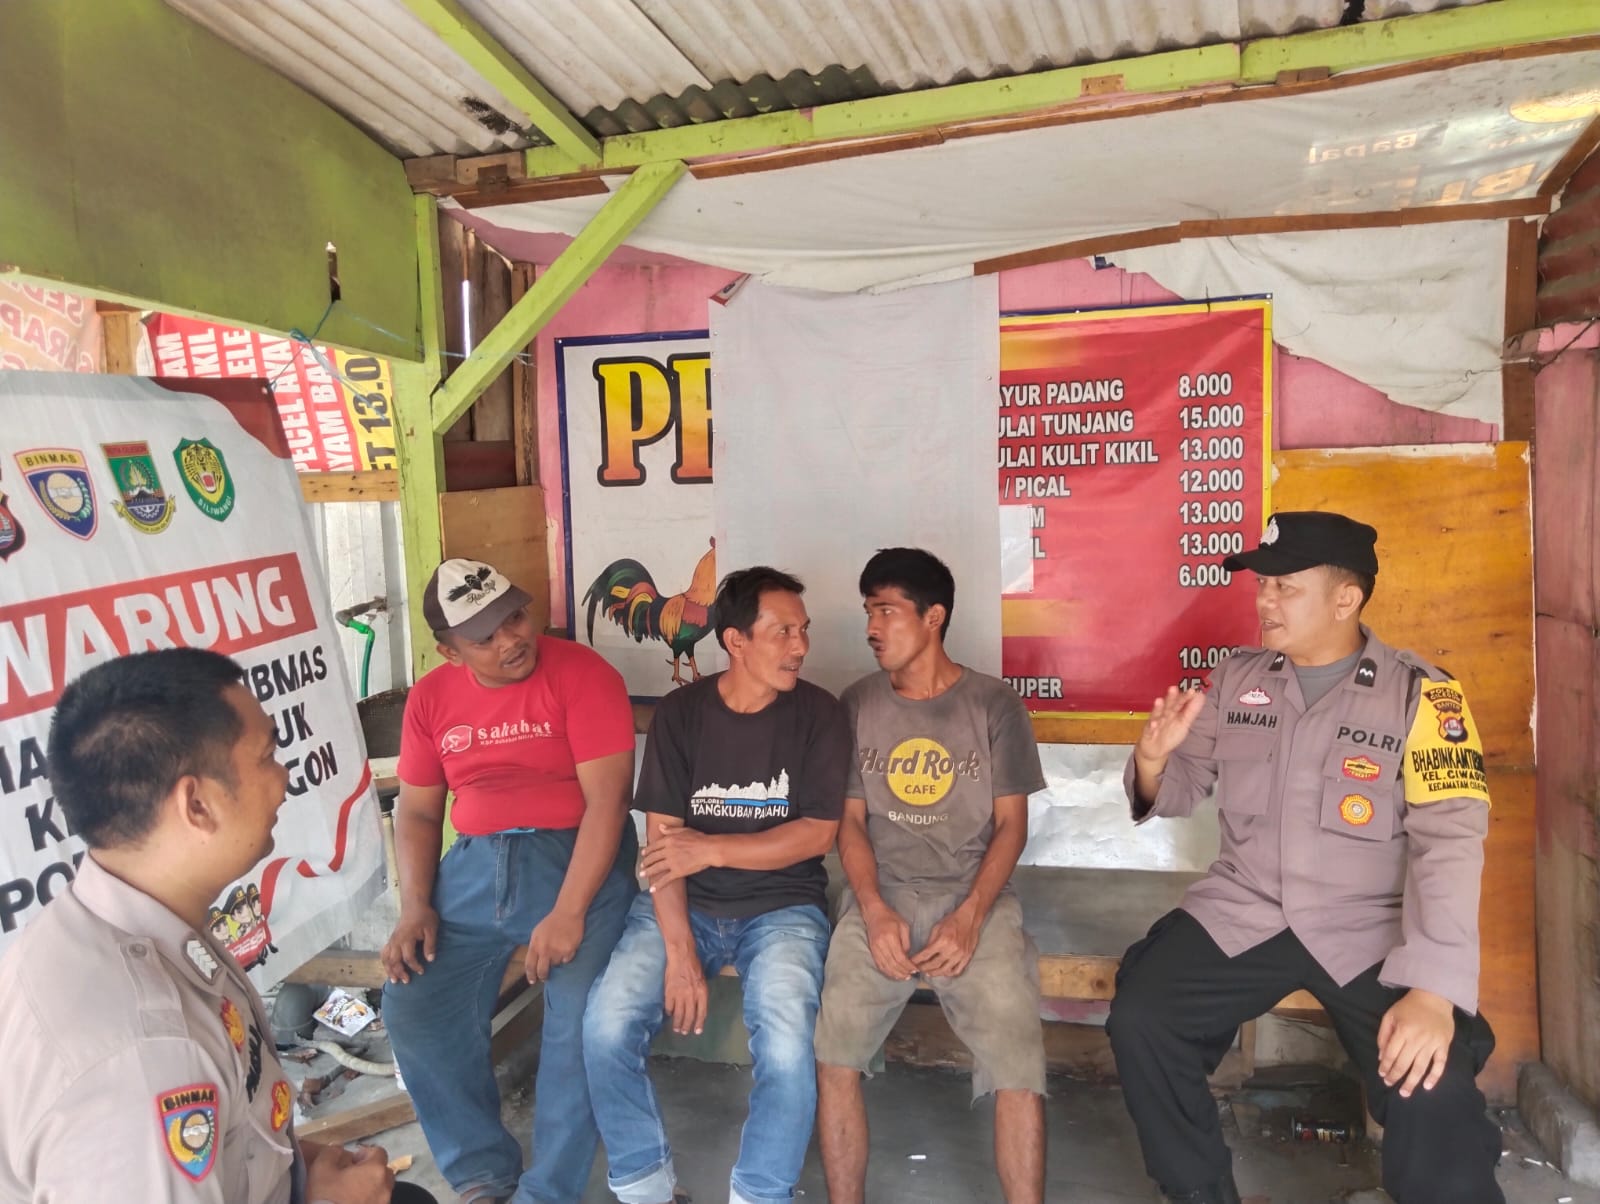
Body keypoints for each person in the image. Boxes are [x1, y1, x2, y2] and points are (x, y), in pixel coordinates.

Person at [1107, 511, 1503, 1204]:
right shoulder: (1237, 679)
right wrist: (1150, 760)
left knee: (1431, 1079)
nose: (1265, 601)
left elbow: (1450, 841)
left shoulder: (1422, 696)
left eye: (1284, 587)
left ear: (1345, 599)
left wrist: (1432, 994)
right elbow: (1178, 790)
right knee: (1144, 1015)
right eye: (1262, 586)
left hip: (1366, 928)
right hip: (1246, 910)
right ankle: (1198, 1193)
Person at [0, 647, 434, 1203]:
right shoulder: (145, 1059)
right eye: (267, 756)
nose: (284, 777)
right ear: (198, 805)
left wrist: (301, 1167)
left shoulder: (135, 921)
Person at [583, 567, 849, 1204]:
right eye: (783, 632)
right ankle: (646, 1189)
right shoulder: (682, 714)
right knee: (605, 1026)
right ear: (735, 641)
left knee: (787, 1048)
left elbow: (817, 835)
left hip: (782, 908)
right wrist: (680, 955)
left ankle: (760, 1193)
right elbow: (663, 849)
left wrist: (712, 848)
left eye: (804, 631)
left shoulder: (820, 714)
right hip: (684, 905)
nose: (800, 646)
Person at [380, 559, 639, 1204]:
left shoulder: (584, 674)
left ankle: (547, 1192)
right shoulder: (430, 699)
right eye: (485, 637)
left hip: (575, 860)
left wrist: (570, 910)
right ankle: (480, 1174)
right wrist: (415, 906)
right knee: (415, 1002)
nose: (512, 639)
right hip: (472, 867)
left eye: (515, 617)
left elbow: (608, 804)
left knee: (580, 1020)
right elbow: (418, 812)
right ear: (449, 651)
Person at [814, 548, 1048, 1204]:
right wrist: (871, 909)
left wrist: (970, 917)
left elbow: (1012, 826)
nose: (872, 627)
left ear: (934, 617)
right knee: (834, 1054)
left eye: (887, 611)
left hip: (976, 898)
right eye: (869, 611)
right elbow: (849, 823)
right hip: (880, 896)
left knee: (1018, 1065)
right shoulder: (857, 704)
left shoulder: (993, 705)